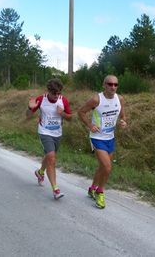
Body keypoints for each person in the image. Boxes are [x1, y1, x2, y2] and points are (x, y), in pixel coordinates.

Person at [78, 75, 127, 209]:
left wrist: (123, 121)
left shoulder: (120, 99)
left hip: (110, 137)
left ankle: (92, 188)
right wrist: (90, 125)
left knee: (103, 168)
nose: (113, 87)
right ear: (104, 85)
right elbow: (81, 112)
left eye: (115, 85)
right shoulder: (96, 99)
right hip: (97, 137)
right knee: (107, 167)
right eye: (110, 84)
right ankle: (100, 192)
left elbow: (122, 115)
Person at [26, 79, 72, 200]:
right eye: (54, 93)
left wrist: (62, 114)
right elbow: (28, 116)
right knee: (51, 157)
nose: (57, 96)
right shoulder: (41, 99)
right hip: (44, 132)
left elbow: (70, 118)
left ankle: (40, 172)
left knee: (49, 156)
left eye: (59, 93)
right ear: (49, 91)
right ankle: (55, 189)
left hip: (57, 133)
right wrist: (30, 108)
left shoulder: (63, 100)